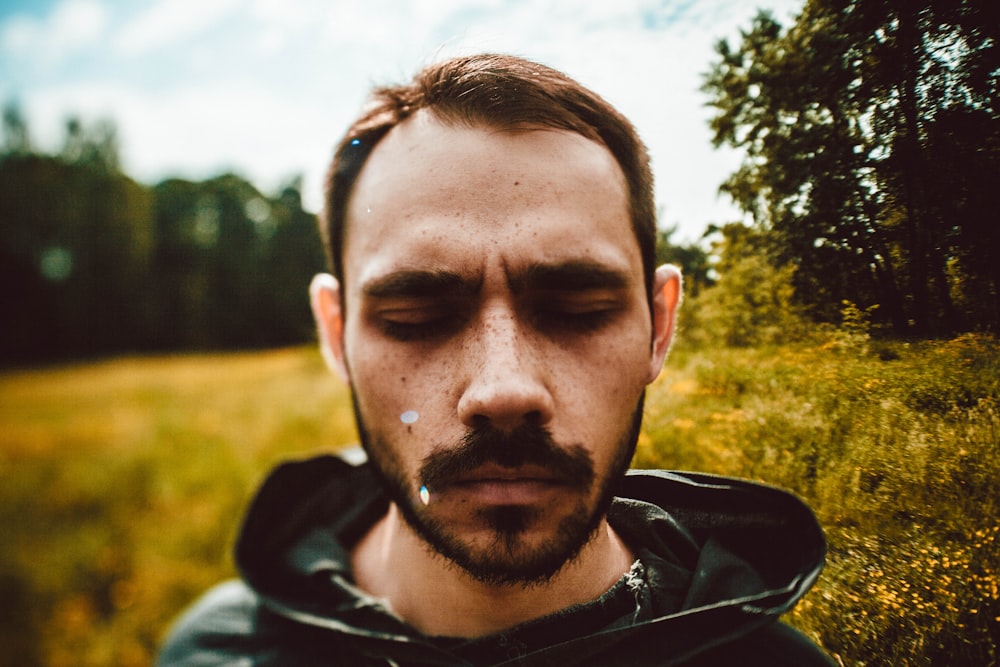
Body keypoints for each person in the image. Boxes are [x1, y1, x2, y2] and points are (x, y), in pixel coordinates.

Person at [157, 53, 834, 666]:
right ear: (337, 337)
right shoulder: (212, 653)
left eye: (578, 308)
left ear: (659, 325)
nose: (503, 387)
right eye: (414, 317)